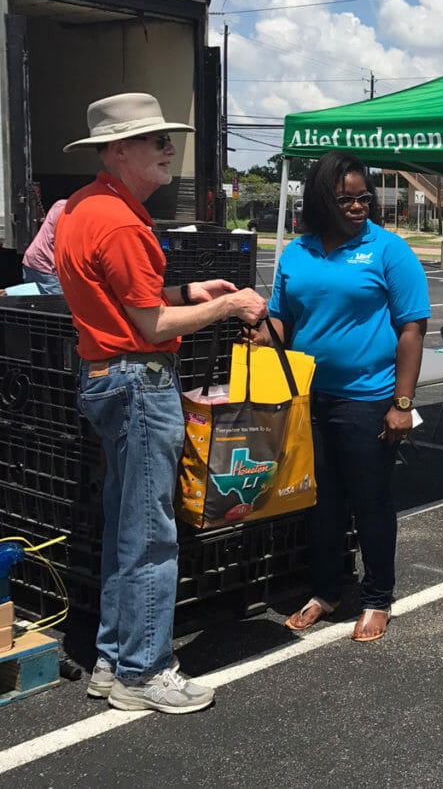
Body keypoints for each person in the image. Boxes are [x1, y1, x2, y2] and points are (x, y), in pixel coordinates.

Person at [54, 92, 268, 714]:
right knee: (150, 534)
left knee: (129, 527)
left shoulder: (84, 207)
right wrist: (229, 305)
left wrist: (188, 288)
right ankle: (144, 672)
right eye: (155, 140)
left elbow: (127, 298)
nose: (168, 148)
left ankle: (115, 663)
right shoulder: (121, 221)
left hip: (106, 375)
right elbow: (150, 325)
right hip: (138, 381)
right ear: (119, 150)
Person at [257, 151, 429, 641]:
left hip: (367, 400)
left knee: (370, 502)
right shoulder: (297, 252)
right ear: (320, 201)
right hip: (309, 399)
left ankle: (377, 598)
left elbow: (412, 329)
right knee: (321, 503)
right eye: (346, 200)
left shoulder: (388, 251)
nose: (358, 207)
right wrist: (264, 331)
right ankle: (326, 590)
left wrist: (402, 404)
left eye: (363, 198)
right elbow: (282, 316)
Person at [21, 198, 67, 293]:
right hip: (49, 266)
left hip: (33, 259)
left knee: (33, 302)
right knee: (56, 305)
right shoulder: (74, 215)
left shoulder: (60, 204)